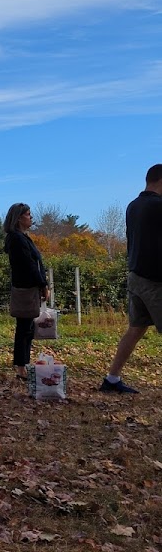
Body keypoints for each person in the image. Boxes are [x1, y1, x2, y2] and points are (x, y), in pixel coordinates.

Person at [100, 163, 162, 393]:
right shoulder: (157, 206)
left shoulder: (133, 206)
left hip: (135, 275)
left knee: (136, 328)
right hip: (155, 279)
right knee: (136, 329)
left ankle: (112, 379)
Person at [3, 203, 49, 380]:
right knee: (24, 329)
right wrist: (43, 284)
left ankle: (23, 365)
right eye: (28, 214)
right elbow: (29, 265)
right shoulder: (17, 239)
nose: (31, 217)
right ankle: (21, 368)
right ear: (18, 218)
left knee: (27, 329)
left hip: (29, 287)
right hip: (25, 289)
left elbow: (34, 263)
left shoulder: (22, 238)